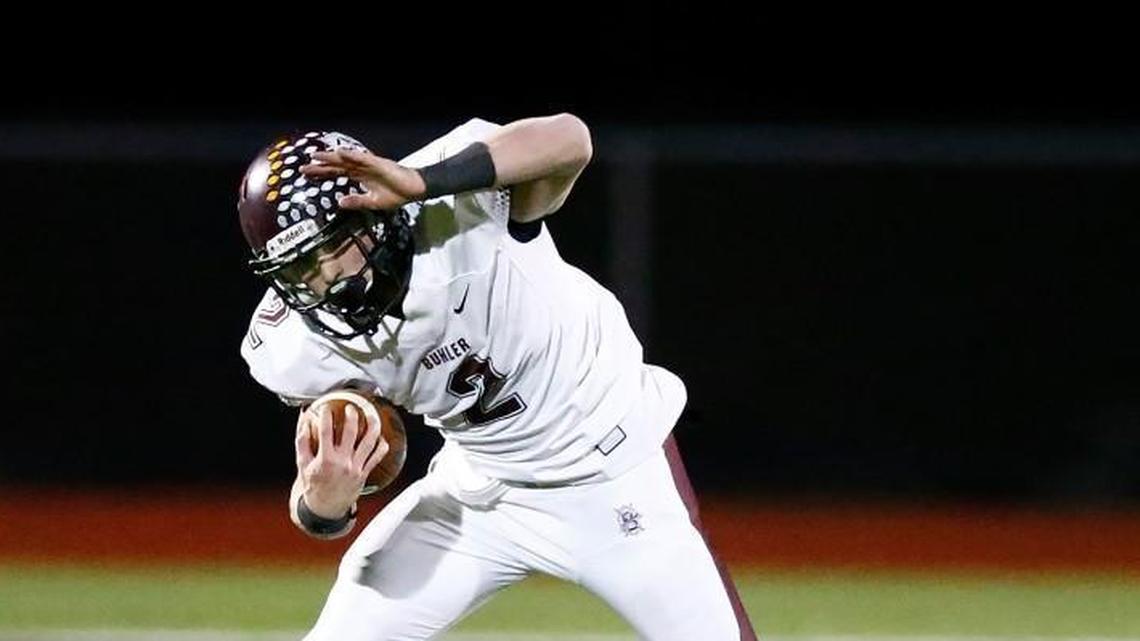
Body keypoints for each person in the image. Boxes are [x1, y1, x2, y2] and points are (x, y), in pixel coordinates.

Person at [236, 114, 757, 640]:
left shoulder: (454, 205)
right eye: (299, 270)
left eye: (331, 248)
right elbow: (319, 490)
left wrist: (423, 182)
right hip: (478, 495)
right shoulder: (293, 342)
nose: (327, 281)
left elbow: (570, 139)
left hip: (613, 474)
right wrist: (324, 506)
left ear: (372, 216)